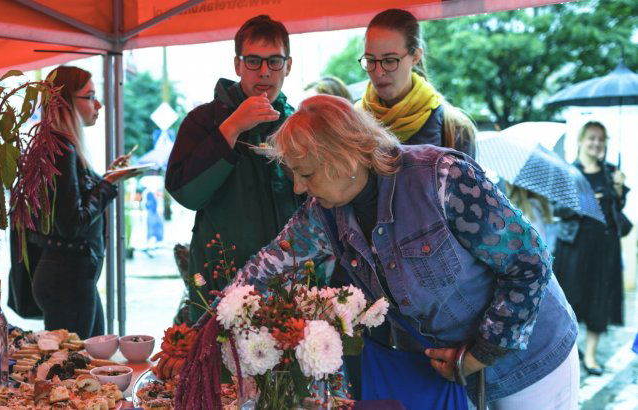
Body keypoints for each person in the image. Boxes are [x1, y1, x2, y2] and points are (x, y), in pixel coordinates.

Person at [232, 95, 579, 408]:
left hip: (533, 362)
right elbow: (267, 267)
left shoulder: (442, 177)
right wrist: (207, 329)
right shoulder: (323, 212)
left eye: (305, 174)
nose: (298, 186)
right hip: (454, 374)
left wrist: (481, 353)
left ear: (345, 158)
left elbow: (530, 263)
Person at [165, 15, 304, 322]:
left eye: (274, 61)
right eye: (253, 61)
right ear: (238, 65)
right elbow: (185, 193)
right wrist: (233, 127)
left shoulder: (300, 124)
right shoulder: (203, 121)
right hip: (219, 285)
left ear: (288, 66)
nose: (264, 72)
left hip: (288, 287)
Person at [23, 66, 137, 338]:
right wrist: (108, 185)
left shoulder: (58, 145)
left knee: (92, 353)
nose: (98, 104)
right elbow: (72, 222)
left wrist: (106, 178)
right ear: (66, 103)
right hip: (67, 277)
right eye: (90, 96)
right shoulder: (61, 149)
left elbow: (71, 202)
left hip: (71, 274)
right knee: (78, 365)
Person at [553, 121, 628, 376]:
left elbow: (616, 210)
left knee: (599, 299)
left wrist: (618, 188)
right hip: (574, 249)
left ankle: (592, 356)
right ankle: (572, 351)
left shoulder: (611, 172)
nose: (596, 143)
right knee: (571, 301)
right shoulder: (569, 172)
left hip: (605, 249)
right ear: (581, 141)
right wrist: (583, 203)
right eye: (591, 138)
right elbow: (558, 209)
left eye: (601, 139)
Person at [355, 8, 476, 156]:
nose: (379, 72)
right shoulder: (351, 124)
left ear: (416, 56)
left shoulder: (455, 128)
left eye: (390, 60)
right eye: (371, 60)